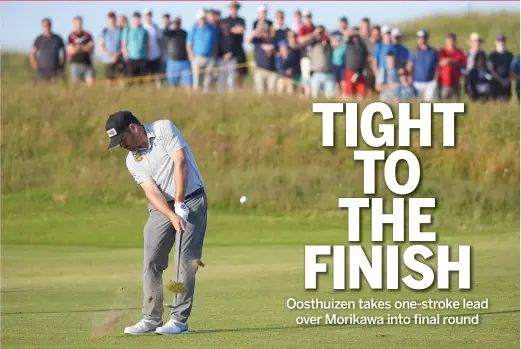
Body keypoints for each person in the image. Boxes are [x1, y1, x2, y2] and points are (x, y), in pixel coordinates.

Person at [104, 111, 207, 336]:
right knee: (151, 260)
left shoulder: (163, 129)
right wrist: (171, 214)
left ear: (133, 128)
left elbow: (180, 162)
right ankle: (151, 318)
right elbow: (151, 190)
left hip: (191, 199)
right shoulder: (132, 160)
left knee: (185, 262)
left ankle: (179, 321)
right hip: (162, 207)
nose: (122, 145)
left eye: (122, 139)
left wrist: (179, 202)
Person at [186, 9, 218, 93]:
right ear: (198, 19)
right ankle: (196, 95)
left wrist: (214, 55)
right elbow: (189, 44)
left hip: (209, 57)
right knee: (197, 79)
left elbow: (215, 44)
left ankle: (206, 95)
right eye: (201, 18)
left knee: (207, 79)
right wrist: (191, 55)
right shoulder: (194, 29)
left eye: (203, 18)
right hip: (197, 58)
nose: (202, 20)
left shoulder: (212, 29)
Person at [407, 29, 439, 101]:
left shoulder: (433, 51)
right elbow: (410, 66)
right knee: (418, 103)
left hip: (430, 83)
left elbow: (437, 66)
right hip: (417, 83)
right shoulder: (414, 51)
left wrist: (435, 79)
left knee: (429, 104)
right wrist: (409, 78)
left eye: (424, 37)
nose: (422, 40)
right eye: (420, 38)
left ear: (427, 38)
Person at [305, 26, 335, 99]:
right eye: (319, 32)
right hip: (316, 73)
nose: (320, 34)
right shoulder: (312, 43)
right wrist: (313, 34)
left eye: (321, 32)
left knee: (330, 97)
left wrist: (328, 34)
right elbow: (303, 44)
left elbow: (336, 43)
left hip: (328, 73)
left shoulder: (329, 43)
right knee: (315, 97)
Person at [163, 16, 192, 90]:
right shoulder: (170, 33)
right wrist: (169, 23)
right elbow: (164, 31)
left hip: (184, 62)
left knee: (188, 83)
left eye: (178, 22)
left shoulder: (185, 33)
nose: (177, 24)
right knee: (172, 85)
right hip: (172, 61)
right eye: (176, 23)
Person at [223, 1, 248, 87]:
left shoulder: (241, 20)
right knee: (229, 74)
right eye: (232, 7)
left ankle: (239, 89)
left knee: (241, 72)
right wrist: (234, 29)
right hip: (229, 50)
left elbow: (241, 29)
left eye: (235, 7)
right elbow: (226, 33)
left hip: (239, 49)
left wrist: (232, 29)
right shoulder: (225, 20)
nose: (234, 9)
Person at [248, 24, 277, 94]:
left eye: (267, 31)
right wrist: (257, 30)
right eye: (263, 31)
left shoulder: (274, 40)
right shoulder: (257, 40)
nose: (265, 33)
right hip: (260, 70)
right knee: (260, 91)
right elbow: (248, 39)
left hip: (272, 71)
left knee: (271, 91)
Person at [67, 16, 95, 85]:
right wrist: (85, 47)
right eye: (77, 23)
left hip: (87, 63)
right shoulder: (71, 36)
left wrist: (79, 47)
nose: (79, 24)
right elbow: (71, 50)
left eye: (80, 22)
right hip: (75, 64)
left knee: (90, 83)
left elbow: (91, 48)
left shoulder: (88, 35)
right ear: (74, 24)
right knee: (76, 86)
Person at [437, 32, 466, 100]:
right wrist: (446, 61)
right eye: (449, 40)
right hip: (443, 82)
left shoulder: (459, 52)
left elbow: (464, 65)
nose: (451, 42)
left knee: (456, 103)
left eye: (452, 40)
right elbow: (438, 63)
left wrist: (452, 62)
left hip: (455, 82)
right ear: (446, 41)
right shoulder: (442, 51)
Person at [122, 12, 149, 82]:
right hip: (131, 59)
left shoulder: (144, 31)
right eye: (135, 18)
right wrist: (126, 57)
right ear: (133, 19)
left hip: (142, 58)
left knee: (141, 81)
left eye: (138, 18)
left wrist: (146, 56)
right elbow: (124, 45)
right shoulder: (127, 30)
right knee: (130, 80)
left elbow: (146, 44)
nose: (137, 20)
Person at [98, 11, 123, 85]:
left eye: (113, 18)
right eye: (110, 18)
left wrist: (117, 55)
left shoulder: (120, 30)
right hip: (108, 60)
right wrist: (110, 55)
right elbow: (101, 46)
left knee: (120, 79)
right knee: (109, 81)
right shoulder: (104, 31)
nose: (111, 20)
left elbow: (124, 44)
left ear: (115, 19)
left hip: (119, 59)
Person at [487, 34, 514, 101]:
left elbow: (513, 69)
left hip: (507, 84)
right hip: (495, 83)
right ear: (496, 42)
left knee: (506, 101)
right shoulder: (492, 55)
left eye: (502, 41)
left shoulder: (510, 55)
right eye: (499, 41)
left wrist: (508, 80)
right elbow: (491, 69)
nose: (501, 43)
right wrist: (500, 80)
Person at [344, 27, 369, 100]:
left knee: (361, 89)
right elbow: (346, 36)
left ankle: (360, 105)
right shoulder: (349, 43)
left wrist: (362, 69)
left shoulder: (362, 44)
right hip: (350, 70)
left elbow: (365, 56)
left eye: (357, 33)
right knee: (349, 89)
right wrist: (352, 32)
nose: (355, 35)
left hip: (360, 70)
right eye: (354, 33)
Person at [143, 9, 163, 88]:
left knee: (156, 74)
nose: (148, 17)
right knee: (147, 75)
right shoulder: (142, 27)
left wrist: (161, 51)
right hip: (145, 56)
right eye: (147, 15)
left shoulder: (155, 26)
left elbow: (160, 40)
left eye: (150, 15)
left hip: (155, 55)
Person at [330, 17, 348, 96]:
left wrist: (344, 36)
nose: (343, 24)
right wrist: (341, 42)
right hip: (335, 61)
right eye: (342, 22)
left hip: (344, 62)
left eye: (344, 22)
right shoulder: (335, 33)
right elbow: (333, 44)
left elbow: (346, 41)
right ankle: (338, 95)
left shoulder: (347, 32)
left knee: (343, 80)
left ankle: (343, 95)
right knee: (337, 81)